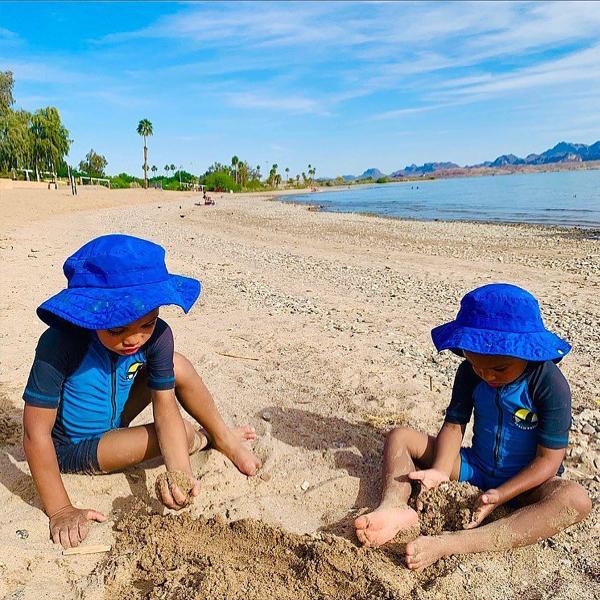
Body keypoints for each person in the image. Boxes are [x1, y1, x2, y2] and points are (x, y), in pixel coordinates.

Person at [22, 234, 261, 549]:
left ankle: (223, 437)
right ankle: (203, 438)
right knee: (184, 433)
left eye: (146, 324)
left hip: (118, 416)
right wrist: (61, 509)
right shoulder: (60, 343)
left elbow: (165, 407)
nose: (133, 339)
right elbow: (34, 434)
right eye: (117, 330)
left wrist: (179, 475)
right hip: (74, 446)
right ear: (89, 313)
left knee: (178, 366)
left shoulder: (158, 337)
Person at [355, 283, 591, 570]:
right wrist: (441, 471)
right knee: (400, 437)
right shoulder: (469, 373)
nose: (487, 374)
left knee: (576, 500)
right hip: (475, 467)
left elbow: (549, 461)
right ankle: (393, 506)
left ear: (527, 352)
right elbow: (455, 425)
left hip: (526, 484)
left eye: (499, 369)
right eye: (477, 365)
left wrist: (500, 495)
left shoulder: (548, 383)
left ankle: (451, 544)